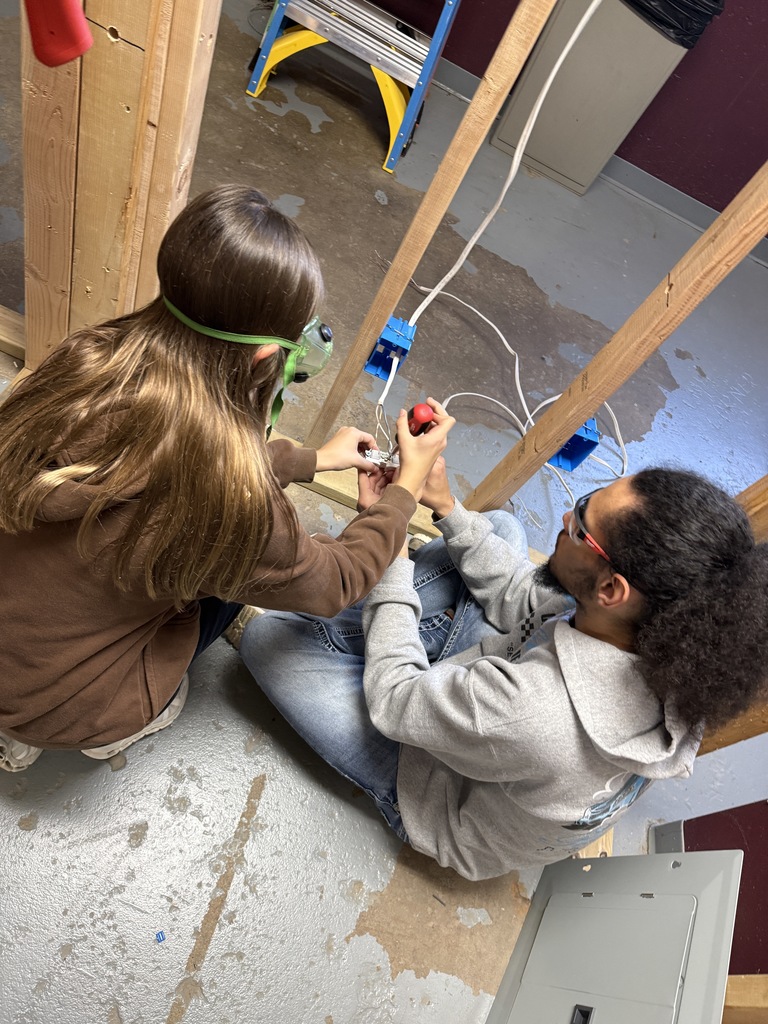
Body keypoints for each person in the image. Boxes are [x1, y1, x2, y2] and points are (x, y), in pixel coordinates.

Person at [0, 184, 453, 772]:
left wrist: (306, 459)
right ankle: (91, 725)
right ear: (266, 357)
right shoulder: (231, 503)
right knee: (216, 592)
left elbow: (160, 464)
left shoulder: (88, 359)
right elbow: (335, 583)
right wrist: (402, 494)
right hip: (62, 704)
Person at [240, 461, 768, 880]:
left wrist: (387, 549)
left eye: (580, 523)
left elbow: (396, 701)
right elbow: (524, 597)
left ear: (611, 590)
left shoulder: (534, 712)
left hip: (440, 794)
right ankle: (401, 631)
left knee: (268, 642)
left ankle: (389, 625)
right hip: (501, 713)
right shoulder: (662, 641)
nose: (565, 516)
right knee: (498, 528)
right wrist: (444, 505)